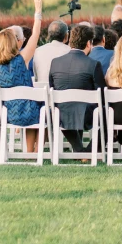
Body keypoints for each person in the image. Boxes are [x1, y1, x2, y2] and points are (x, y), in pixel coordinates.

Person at [0, 0, 45, 153]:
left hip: (8, 114)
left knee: (33, 106)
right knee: (43, 106)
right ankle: (34, 151)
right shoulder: (22, 59)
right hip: (30, 112)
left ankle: (31, 152)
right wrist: (38, 10)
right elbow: (35, 34)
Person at [49, 23, 106, 152]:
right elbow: (102, 94)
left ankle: (79, 149)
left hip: (60, 114)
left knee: (65, 109)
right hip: (86, 115)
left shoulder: (55, 62)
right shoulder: (93, 64)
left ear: (70, 42)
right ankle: (87, 151)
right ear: (88, 44)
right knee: (108, 113)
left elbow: (52, 89)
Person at [33, 20, 70, 85]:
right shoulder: (69, 51)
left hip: (41, 91)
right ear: (66, 35)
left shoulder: (38, 51)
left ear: (49, 35)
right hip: (61, 92)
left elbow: (36, 76)